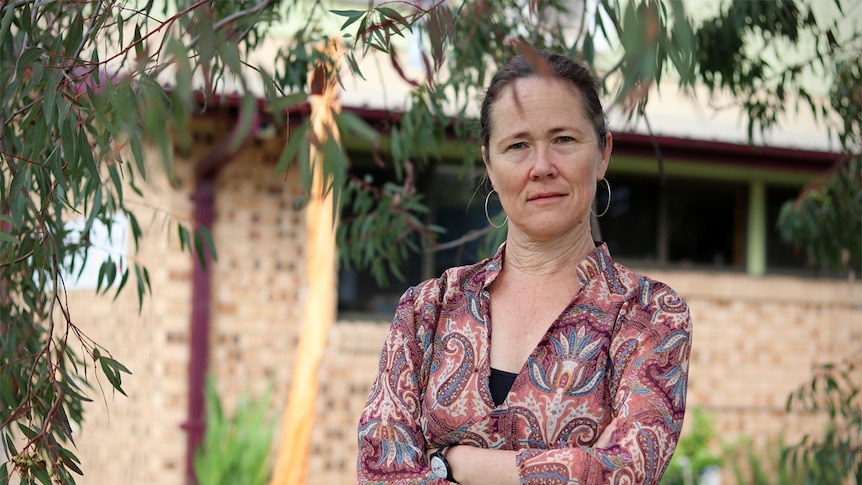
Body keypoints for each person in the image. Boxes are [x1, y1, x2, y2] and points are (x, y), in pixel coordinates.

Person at [356, 51, 692, 485]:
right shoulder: (427, 311)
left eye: (564, 140)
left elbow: (623, 472)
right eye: (517, 145)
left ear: (603, 153)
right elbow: (381, 471)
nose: (542, 167)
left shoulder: (650, 314)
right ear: (490, 166)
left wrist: (454, 464)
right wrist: (575, 464)